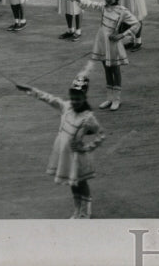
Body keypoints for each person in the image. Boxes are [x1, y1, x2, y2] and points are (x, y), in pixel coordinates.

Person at [15, 73, 104, 219]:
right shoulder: (65, 106)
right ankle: (77, 210)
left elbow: (101, 134)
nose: (75, 101)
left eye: (78, 98)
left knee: (81, 183)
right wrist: (28, 89)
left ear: (84, 98)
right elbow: (47, 98)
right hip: (64, 153)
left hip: (77, 156)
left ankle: (86, 212)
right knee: (72, 182)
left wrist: (87, 147)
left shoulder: (88, 117)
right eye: (73, 98)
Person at [70, 0, 142, 111]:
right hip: (102, 42)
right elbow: (90, 4)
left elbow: (136, 24)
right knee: (107, 70)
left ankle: (117, 99)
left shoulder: (122, 11)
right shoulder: (103, 7)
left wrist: (122, 35)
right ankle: (109, 98)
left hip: (113, 43)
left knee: (115, 70)